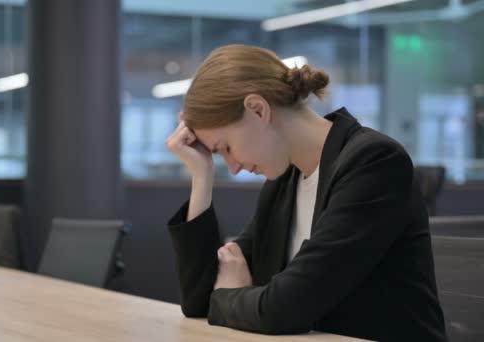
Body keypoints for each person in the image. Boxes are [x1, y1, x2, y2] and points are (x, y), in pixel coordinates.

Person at [164, 44, 447, 342]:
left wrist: (230, 295)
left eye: (226, 148)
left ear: (258, 109)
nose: (232, 168)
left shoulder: (374, 163)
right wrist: (202, 176)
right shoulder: (285, 181)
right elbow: (199, 301)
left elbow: (284, 309)